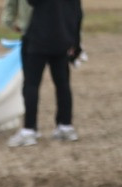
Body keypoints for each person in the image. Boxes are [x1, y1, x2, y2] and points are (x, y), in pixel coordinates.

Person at [8, 0, 83, 146]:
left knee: (31, 84)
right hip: (62, 38)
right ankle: (65, 126)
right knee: (63, 84)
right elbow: (78, 13)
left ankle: (29, 130)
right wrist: (76, 42)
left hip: (37, 38)